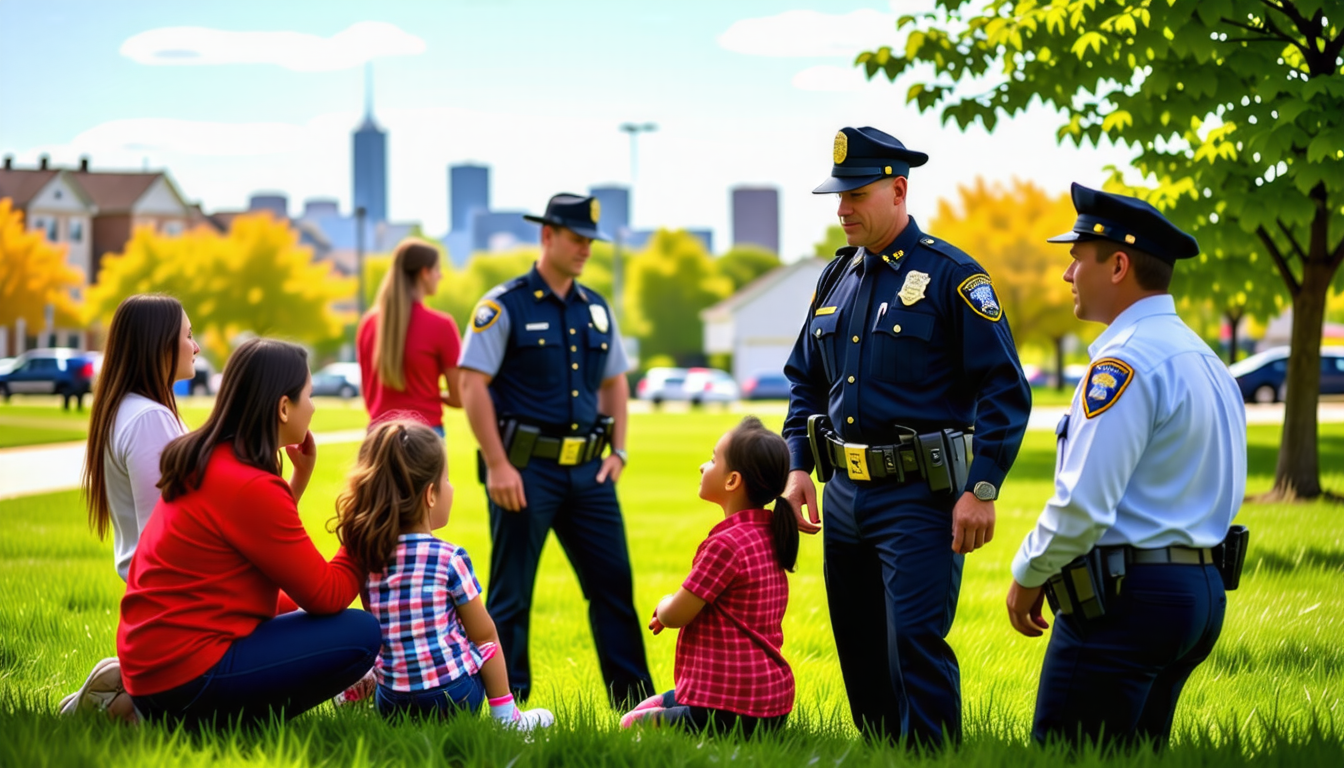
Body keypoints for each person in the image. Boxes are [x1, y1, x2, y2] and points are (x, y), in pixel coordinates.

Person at [781, 126, 1032, 747]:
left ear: (898, 190)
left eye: (855, 195)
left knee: (916, 643)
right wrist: (796, 468)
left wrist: (983, 486)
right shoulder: (835, 278)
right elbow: (804, 381)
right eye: (836, 197)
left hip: (920, 496)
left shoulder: (952, 276)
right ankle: (880, 754)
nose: (842, 209)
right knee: (859, 647)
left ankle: (931, 756)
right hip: (843, 497)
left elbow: (1005, 389)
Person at [1006, 183, 1247, 748]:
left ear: (1117, 265)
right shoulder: (1204, 359)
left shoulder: (1124, 363)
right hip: (1198, 593)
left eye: (1076, 256)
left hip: (1127, 602)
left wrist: (1027, 573)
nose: (1067, 273)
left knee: (1068, 756)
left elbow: (1083, 503)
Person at [117, 338, 381, 728]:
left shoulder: (210, 459)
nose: (313, 405)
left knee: (290, 606)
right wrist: (366, 526)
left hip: (152, 667)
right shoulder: (249, 485)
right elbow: (327, 594)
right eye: (308, 395)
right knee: (360, 634)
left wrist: (299, 477)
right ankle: (219, 724)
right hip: (185, 679)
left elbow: (263, 549)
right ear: (283, 407)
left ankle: (143, 711)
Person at [458, 193, 653, 707]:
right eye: (576, 238)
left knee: (613, 588)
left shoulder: (595, 309)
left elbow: (614, 382)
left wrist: (619, 449)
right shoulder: (504, 304)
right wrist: (498, 464)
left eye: (590, 240)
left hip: (590, 474)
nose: (585, 248)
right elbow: (470, 384)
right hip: (524, 471)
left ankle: (635, 705)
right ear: (547, 236)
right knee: (511, 595)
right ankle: (509, 704)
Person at [332, 419, 555, 729]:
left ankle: (363, 686)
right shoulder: (449, 558)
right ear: (430, 495)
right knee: (482, 640)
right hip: (453, 697)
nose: (452, 487)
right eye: (447, 480)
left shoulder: (367, 557)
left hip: (391, 703)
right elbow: (485, 635)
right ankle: (509, 720)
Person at [61, 294, 200, 718]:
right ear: (159, 345)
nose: (196, 347)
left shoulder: (132, 411)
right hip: (175, 607)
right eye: (189, 336)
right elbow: (171, 534)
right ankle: (124, 703)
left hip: (161, 606)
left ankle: (126, 687)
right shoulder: (149, 420)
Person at [621, 416, 796, 737]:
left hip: (734, 707)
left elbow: (675, 614)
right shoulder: (769, 532)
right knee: (649, 704)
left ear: (732, 481)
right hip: (769, 701)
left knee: (630, 722)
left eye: (713, 459)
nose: (704, 466)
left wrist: (663, 606)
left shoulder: (725, 545)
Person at [358, 238, 462, 435]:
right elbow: (460, 396)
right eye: (437, 269)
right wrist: (433, 394)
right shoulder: (441, 325)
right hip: (425, 436)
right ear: (424, 273)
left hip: (377, 437)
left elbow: (367, 391)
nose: (441, 275)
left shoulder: (368, 324)